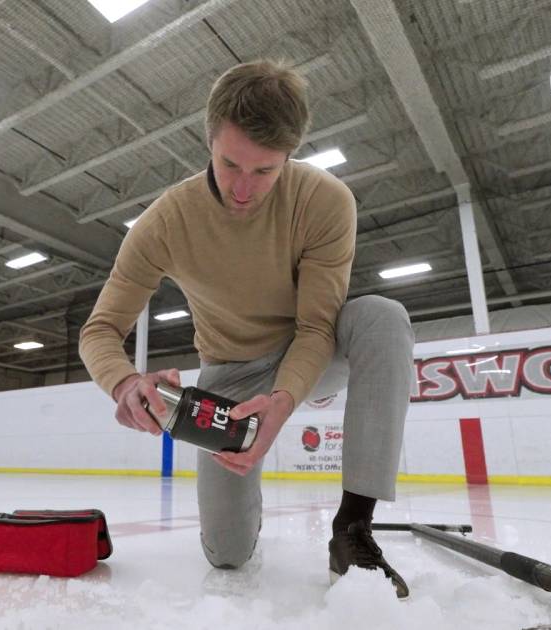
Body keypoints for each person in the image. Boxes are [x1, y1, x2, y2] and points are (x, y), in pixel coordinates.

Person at [78, 59, 415, 598]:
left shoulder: (325, 201)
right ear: (208, 140)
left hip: (314, 350)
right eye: (230, 163)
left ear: (290, 155)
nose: (242, 189)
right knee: (228, 557)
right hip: (229, 375)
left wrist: (284, 400)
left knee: (381, 317)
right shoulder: (164, 222)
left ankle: (352, 529)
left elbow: (315, 326)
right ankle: (238, 525)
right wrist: (123, 383)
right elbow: (100, 330)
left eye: (265, 171)